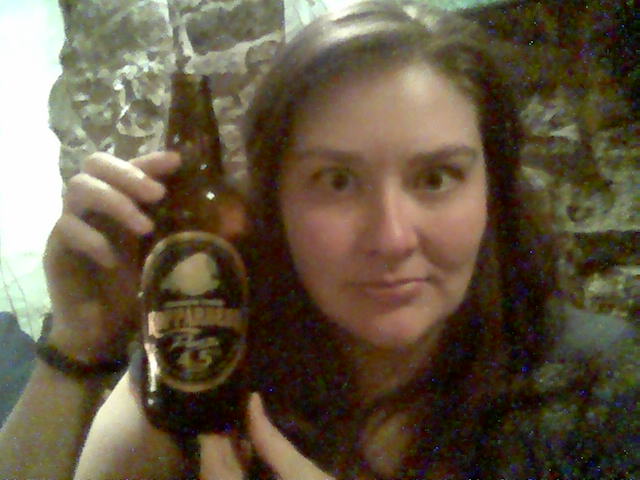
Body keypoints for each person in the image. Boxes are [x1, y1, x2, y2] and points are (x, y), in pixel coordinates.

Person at [1, 1, 638, 479]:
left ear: (491, 189)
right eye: (336, 181)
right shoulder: (210, 358)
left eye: (437, 177)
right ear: (273, 203)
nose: (391, 238)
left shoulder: (603, 389)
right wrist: (77, 345)